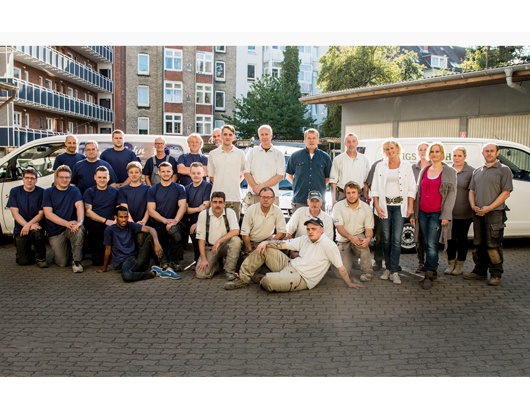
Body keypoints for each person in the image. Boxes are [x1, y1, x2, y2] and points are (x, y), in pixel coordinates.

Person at [224, 217, 365, 292]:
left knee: (269, 282)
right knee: (265, 249)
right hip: (289, 264)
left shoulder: (328, 245)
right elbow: (282, 245)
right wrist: (266, 242)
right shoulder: (304, 239)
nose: (310, 231)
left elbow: (340, 267)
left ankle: (260, 278)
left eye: (314, 229)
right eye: (308, 229)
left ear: (322, 230)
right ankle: (243, 278)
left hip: (301, 278)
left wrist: (349, 283)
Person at [463, 143, 513, 286]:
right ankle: (479, 271)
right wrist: (473, 206)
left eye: (492, 151)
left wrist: (489, 208)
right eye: (486, 151)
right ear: (483, 153)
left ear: (497, 153)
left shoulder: (504, 170)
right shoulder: (477, 171)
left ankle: (496, 274)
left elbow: (506, 192)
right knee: (478, 244)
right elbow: (471, 191)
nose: (489, 153)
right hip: (478, 213)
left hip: (495, 214)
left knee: (493, 245)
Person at [411, 142, 457, 290]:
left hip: (437, 213)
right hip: (423, 212)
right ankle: (433, 268)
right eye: (432, 152)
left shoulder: (449, 172)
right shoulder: (424, 170)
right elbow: (418, 192)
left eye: (437, 152)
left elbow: (451, 194)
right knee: (425, 241)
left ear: (442, 154)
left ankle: (429, 274)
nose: (435, 154)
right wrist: (414, 212)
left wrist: (446, 215)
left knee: (432, 243)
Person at [371, 139, 416, 285]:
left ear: (397, 148)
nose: (390, 151)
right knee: (385, 239)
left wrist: (410, 206)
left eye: (392, 148)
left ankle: (395, 271)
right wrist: (377, 206)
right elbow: (375, 188)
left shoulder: (406, 166)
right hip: (384, 206)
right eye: (387, 149)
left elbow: (411, 187)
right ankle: (388, 268)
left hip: (399, 207)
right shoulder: (380, 166)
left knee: (396, 240)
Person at [97, 205, 180, 281]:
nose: (124, 219)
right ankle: (154, 273)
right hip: (123, 263)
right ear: (116, 217)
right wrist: (104, 268)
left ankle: (165, 268)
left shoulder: (131, 225)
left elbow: (151, 229)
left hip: (137, 259)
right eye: (121, 217)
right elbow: (107, 251)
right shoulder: (110, 230)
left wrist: (156, 242)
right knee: (127, 276)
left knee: (152, 236)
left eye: (126, 217)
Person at [42, 165, 85, 272]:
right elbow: (48, 214)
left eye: (67, 177)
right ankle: (65, 253)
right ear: (56, 178)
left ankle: (77, 261)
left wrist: (79, 222)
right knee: (62, 263)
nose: (64, 180)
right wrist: (66, 223)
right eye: (61, 177)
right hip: (55, 231)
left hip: (70, 228)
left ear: (70, 178)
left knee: (79, 230)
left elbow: (79, 206)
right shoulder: (48, 192)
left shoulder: (74, 190)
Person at [146, 161, 188, 272]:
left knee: (174, 231)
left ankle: (176, 262)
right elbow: (151, 210)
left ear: (172, 172)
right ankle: (163, 262)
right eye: (163, 171)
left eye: (168, 171)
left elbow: (182, 207)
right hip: (158, 223)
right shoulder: (152, 190)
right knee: (155, 237)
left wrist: (174, 221)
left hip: (175, 222)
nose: (165, 173)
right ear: (158, 173)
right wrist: (165, 221)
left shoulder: (180, 188)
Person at [332, 181, 374, 283]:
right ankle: (347, 258)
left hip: (358, 236)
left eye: (353, 192)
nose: (351, 196)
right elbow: (339, 227)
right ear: (345, 194)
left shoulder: (366, 208)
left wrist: (368, 239)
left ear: (358, 193)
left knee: (363, 244)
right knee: (340, 275)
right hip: (343, 239)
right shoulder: (338, 206)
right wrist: (351, 238)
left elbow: (369, 229)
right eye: (348, 193)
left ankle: (367, 272)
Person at [195, 191, 242, 281]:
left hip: (225, 246)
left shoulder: (230, 212)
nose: (217, 205)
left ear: (224, 204)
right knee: (201, 274)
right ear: (211, 203)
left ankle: (229, 271)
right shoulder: (203, 214)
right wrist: (204, 259)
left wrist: (219, 241)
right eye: (215, 202)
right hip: (210, 248)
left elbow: (236, 231)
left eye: (220, 202)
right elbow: (200, 239)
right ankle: (218, 265)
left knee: (236, 240)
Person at [7, 167, 48, 268]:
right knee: (23, 261)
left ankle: (40, 258)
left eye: (32, 178)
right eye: (27, 178)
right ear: (23, 178)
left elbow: (41, 214)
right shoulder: (15, 191)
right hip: (21, 228)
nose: (29, 180)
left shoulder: (42, 192)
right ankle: (26, 253)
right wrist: (26, 226)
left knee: (38, 235)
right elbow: (15, 213)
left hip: (36, 226)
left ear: (36, 180)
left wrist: (29, 225)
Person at [444, 146, 474, 276]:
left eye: (459, 156)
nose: (456, 158)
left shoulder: (471, 171)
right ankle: (451, 263)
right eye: (454, 155)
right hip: (449, 212)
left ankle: (460, 264)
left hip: (464, 212)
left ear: (465, 157)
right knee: (449, 239)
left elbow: (473, 192)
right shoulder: (447, 170)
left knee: (461, 239)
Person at [286, 128, 332, 213]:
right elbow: (289, 175)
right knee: (299, 226)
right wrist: (299, 183)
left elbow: (328, 178)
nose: (311, 140)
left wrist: (317, 183)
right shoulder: (295, 156)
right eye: (309, 138)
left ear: (318, 140)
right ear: (304, 140)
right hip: (300, 200)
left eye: (314, 138)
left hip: (318, 201)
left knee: (318, 225)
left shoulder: (325, 157)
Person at [207, 124, 246, 220]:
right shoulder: (213, 154)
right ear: (221, 136)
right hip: (217, 198)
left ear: (234, 136)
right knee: (215, 228)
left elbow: (243, 174)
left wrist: (233, 183)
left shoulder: (240, 154)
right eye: (225, 134)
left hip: (234, 197)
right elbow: (211, 176)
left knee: (234, 229)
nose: (227, 137)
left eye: (230, 134)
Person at [83, 166, 119, 267]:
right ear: (95, 177)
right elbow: (88, 212)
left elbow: (119, 209)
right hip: (96, 228)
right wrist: (105, 221)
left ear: (108, 177)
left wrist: (115, 221)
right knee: (98, 262)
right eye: (99, 177)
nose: (102, 180)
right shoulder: (89, 192)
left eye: (104, 177)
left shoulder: (115, 192)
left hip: (112, 227)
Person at [243, 124, 285, 207]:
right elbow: (246, 172)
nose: (264, 137)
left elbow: (279, 175)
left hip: (272, 196)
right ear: (259, 136)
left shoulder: (278, 154)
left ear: (271, 136)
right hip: (254, 195)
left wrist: (261, 188)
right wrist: (255, 187)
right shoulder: (252, 152)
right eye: (262, 134)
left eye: (266, 134)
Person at [240, 187, 287, 255]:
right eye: (263, 197)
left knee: (285, 241)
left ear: (273, 199)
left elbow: (282, 232)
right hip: (253, 242)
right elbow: (244, 235)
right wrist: (249, 252)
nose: (266, 199)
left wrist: (268, 243)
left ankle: (283, 264)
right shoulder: (251, 210)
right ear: (259, 198)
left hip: (269, 241)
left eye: (269, 197)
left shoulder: (277, 211)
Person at [329, 133, 370, 207]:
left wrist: (366, 196)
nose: (351, 144)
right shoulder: (338, 160)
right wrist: (333, 201)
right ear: (345, 143)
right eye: (348, 142)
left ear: (357, 143)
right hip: (342, 196)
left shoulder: (364, 160)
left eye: (353, 141)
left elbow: (366, 181)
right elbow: (333, 183)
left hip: (359, 196)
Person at [185, 162, 213, 262]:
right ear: (190, 174)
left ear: (203, 173)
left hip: (204, 220)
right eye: (193, 173)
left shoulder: (207, 187)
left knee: (196, 230)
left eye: (198, 173)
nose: (196, 175)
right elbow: (185, 209)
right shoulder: (186, 188)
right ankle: (196, 259)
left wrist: (198, 223)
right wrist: (197, 209)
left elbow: (206, 206)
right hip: (190, 221)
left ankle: (200, 258)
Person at [411, 141, 430, 273]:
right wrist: (412, 212)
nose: (423, 152)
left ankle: (431, 263)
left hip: (432, 207)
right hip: (417, 208)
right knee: (419, 237)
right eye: (420, 150)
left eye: (425, 149)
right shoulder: (413, 168)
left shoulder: (436, 167)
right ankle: (421, 262)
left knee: (431, 238)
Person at [364, 158, 384, 271]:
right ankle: (378, 260)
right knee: (379, 235)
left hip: (395, 206)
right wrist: (367, 196)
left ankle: (392, 262)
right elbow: (368, 183)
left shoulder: (401, 164)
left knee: (392, 237)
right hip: (379, 206)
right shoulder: (377, 164)